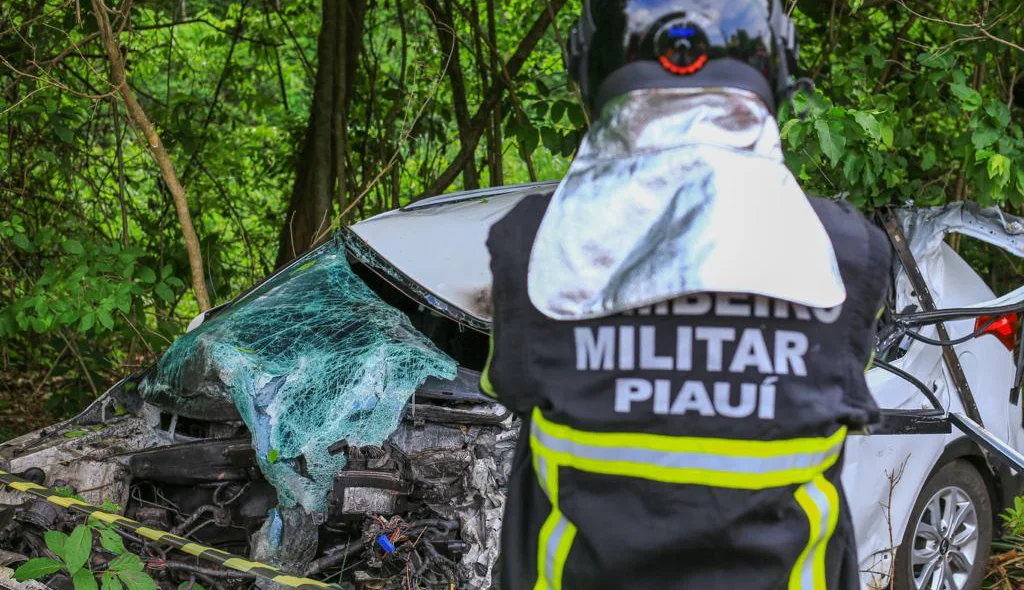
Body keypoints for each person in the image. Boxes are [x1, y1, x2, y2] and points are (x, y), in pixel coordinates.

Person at [479, 0, 893, 588]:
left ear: (587, 76)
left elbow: (512, 388)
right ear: (779, 71)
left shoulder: (531, 247)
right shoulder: (848, 253)